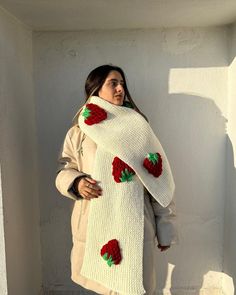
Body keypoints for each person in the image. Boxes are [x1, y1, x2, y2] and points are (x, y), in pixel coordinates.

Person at [55, 64, 178, 295]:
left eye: (122, 83)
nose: (120, 88)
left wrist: (165, 227)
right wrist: (77, 182)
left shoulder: (139, 127)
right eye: (113, 83)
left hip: (135, 221)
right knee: (104, 286)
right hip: (95, 221)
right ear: (96, 89)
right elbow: (64, 168)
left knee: (135, 286)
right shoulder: (80, 131)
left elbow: (158, 180)